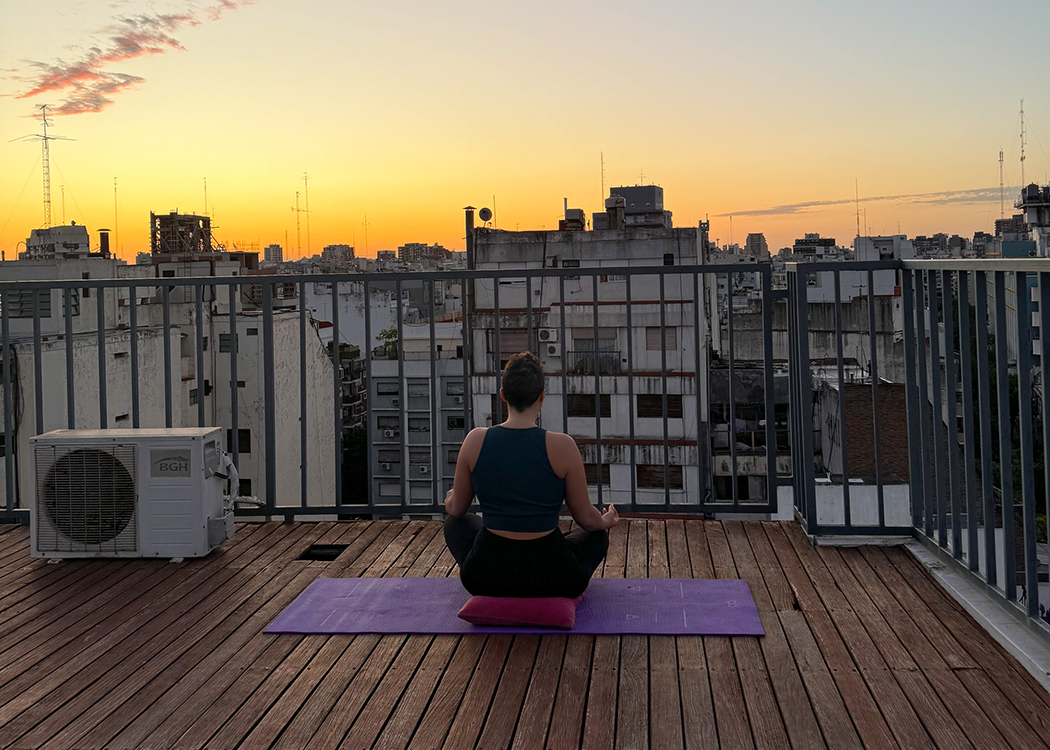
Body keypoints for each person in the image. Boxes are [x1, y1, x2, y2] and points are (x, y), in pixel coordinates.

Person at [443, 351, 619, 598]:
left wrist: (451, 497)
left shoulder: (475, 441)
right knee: (596, 535)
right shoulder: (563, 446)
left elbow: (457, 509)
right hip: (555, 577)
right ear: (541, 397)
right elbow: (586, 518)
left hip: (484, 575)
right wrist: (606, 522)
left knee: (454, 524)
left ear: (503, 395)